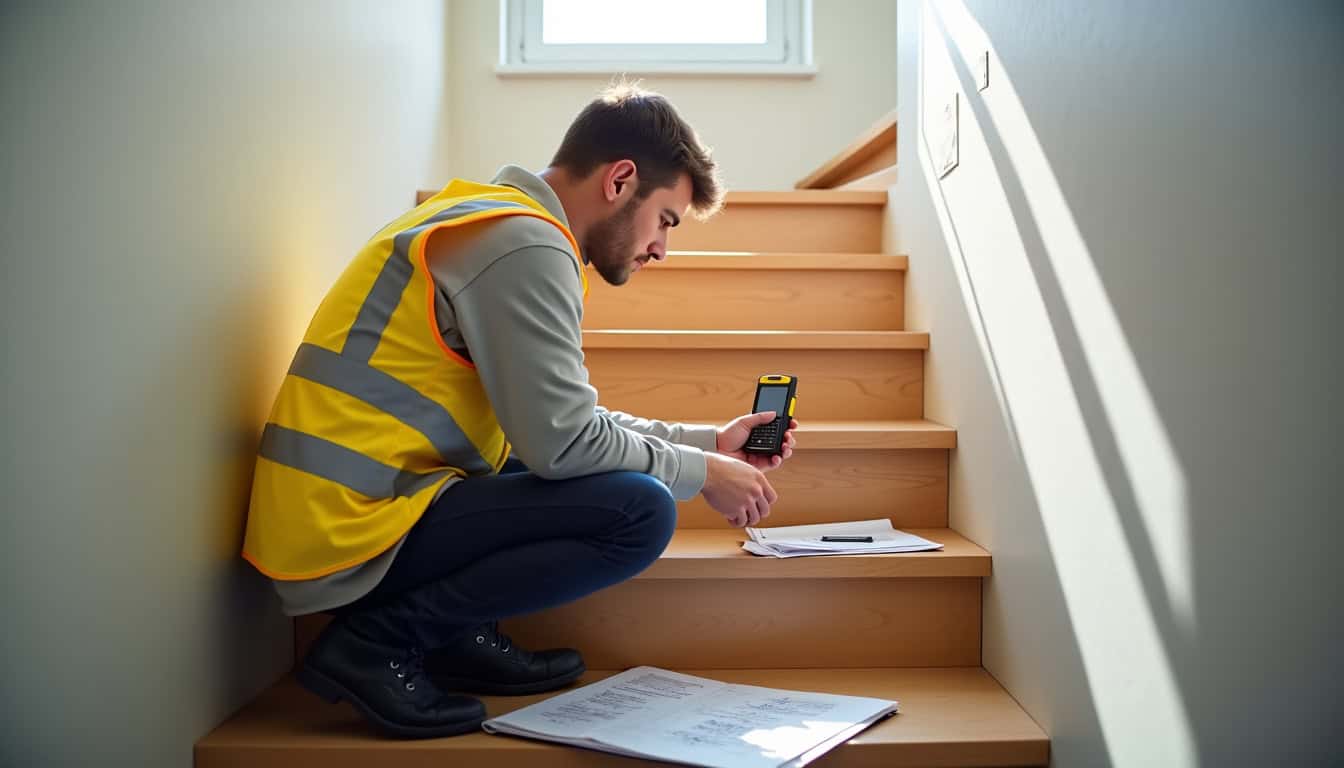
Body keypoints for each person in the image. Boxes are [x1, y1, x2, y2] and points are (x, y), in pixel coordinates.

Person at [240, 82, 799, 739]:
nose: (660, 250)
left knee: (562, 466)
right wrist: (700, 473)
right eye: (666, 221)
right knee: (640, 510)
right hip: (346, 528)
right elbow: (565, 444)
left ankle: (452, 638)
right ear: (620, 180)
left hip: (350, 507)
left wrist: (709, 442)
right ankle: (376, 644)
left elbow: (561, 421)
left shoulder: (484, 217)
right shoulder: (525, 244)